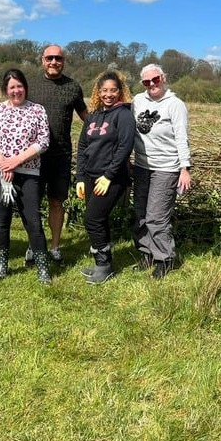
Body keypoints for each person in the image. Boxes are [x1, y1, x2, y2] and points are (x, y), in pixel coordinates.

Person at [0, 69, 52, 284]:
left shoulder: (37, 110)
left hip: (28, 171)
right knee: (1, 220)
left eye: (19, 86)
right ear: (6, 90)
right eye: (12, 87)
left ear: (25, 88)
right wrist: (3, 162)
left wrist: (16, 161)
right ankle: (1, 266)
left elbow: (43, 141)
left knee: (33, 220)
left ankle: (42, 268)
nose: (16, 90)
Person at [26, 44, 87, 267]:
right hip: (33, 155)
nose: (54, 62)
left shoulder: (72, 87)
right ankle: (34, 246)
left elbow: (87, 118)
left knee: (56, 202)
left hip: (61, 155)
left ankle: (54, 248)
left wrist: (110, 128)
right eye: (49, 58)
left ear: (63, 61)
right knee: (32, 203)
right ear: (42, 60)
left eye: (58, 58)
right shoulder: (30, 86)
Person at [132, 64, 192, 279]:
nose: (151, 85)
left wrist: (184, 168)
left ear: (163, 78)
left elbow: (181, 137)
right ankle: (146, 254)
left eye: (155, 79)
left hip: (166, 168)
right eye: (146, 82)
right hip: (141, 166)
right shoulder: (138, 101)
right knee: (140, 214)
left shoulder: (175, 105)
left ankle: (164, 259)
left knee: (156, 217)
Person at [76, 70, 135, 284]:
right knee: (98, 219)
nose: (108, 94)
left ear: (120, 91)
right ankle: (103, 263)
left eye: (113, 90)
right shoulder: (94, 115)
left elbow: (124, 147)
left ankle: (103, 265)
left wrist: (108, 176)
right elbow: (83, 146)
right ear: (98, 92)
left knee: (93, 219)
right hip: (90, 176)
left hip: (112, 178)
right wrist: (80, 177)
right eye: (104, 90)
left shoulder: (124, 114)